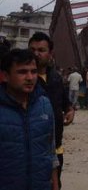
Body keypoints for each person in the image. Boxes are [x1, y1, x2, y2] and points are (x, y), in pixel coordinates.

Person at [0, 49, 59, 190]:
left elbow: (50, 151)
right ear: (5, 76)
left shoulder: (44, 104)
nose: (30, 77)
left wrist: (55, 185)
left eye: (33, 72)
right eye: (22, 72)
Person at [29, 31, 74, 189]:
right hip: (33, 149)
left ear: (50, 53)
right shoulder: (24, 81)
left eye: (41, 50)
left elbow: (64, 101)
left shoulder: (55, 77)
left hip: (56, 146)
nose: (36, 54)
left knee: (55, 184)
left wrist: (69, 110)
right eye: (32, 50)